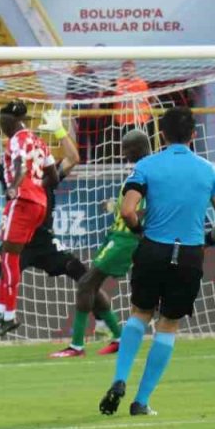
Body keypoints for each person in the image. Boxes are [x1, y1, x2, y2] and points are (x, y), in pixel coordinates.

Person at [98, 107, 215, 417]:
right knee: (168, 325)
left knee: (139, 314)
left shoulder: (146, 166)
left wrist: (138, 229)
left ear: (161, 134)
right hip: (189, 254)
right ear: (194, 135)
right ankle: (141, 401)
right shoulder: (209, 171)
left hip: (152, 250)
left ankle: (119, 379)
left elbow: (127, 210)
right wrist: (209, 240)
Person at [0, 106, 118, 354]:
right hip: (21, 235)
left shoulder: (42, 175)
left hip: (43, 238)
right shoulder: (13, 174)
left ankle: (106, 322)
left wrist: (61, 131)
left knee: (83, 275)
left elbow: (73, 158)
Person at [51, 128, 152, 358]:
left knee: (87, 282)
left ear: (135, 149)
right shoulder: (142, 169)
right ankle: (116, 337)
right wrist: (116, 207)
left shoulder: (147, 171)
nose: (123, 152)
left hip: (126, 238)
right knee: (90, 284)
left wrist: (138, 226)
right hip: (117, 235)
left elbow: (151, 206)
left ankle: (78, 345)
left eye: (126, 148)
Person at [0, 101, 53, 351]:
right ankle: (2, 309)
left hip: (22, 200)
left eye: (1, 121)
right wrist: (36, 187)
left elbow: (20, 164)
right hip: (39, 204)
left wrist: (16, 186)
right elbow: (52, 175)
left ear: (9, 120)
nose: (1, 126)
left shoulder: (15, 140)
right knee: (11, 255)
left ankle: (10, 315)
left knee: (9, 256)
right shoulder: (40, 142)